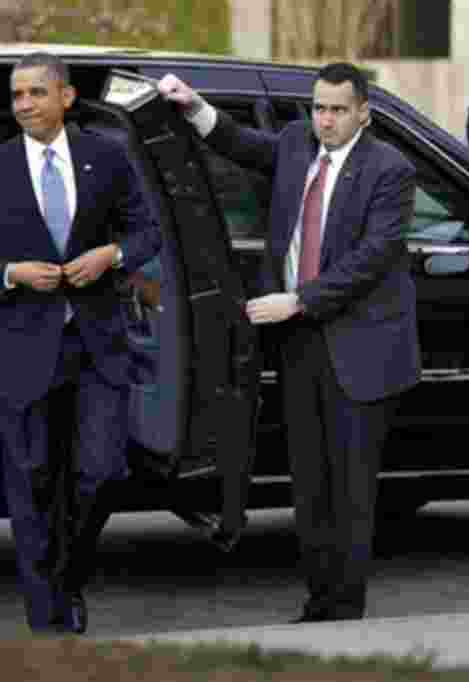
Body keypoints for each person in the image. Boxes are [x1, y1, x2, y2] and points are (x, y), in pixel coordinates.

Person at [158, 62, 420, 622]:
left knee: (350, 489)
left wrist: (297, 300)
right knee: (310, 484)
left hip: (361, 347)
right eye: (319, 108)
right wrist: (191, 104)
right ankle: (319, 599)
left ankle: (345, 609)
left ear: (363, 112)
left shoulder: (389, 170)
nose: (324, 120)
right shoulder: (299, 142)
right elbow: (241, 144)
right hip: (300, 344)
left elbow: (372, 258)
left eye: (337, 110)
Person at [0, 52, 161, 634]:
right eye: (17, 95)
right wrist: (10, 273)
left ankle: (68, 578)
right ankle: (48, 614)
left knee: (102, 472)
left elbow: (147, 230)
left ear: (66, 96)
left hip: (98, 345)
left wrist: (112, 256)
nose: (24, 105)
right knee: (33, 480)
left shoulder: (106, 157)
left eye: (36, 92)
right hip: (25, 345)